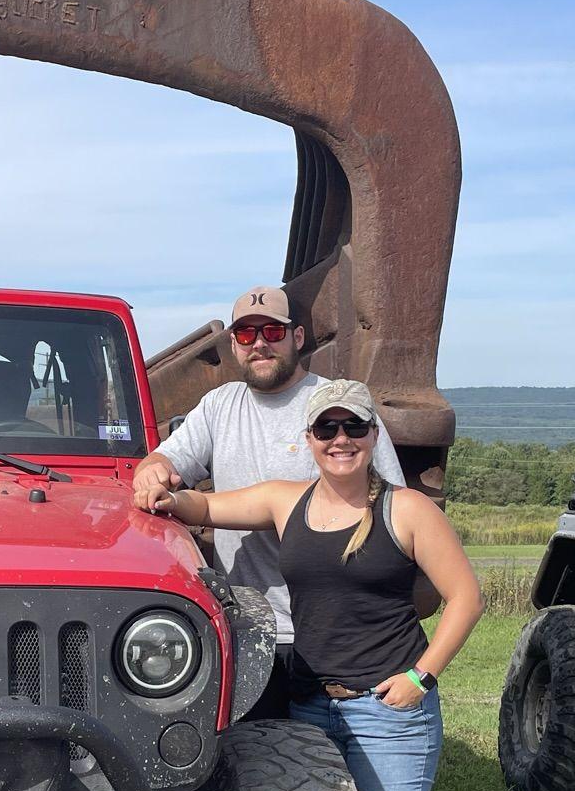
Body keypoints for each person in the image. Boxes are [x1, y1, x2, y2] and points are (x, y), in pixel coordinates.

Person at [151, 379, 484, 791]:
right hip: (311, 707)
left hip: (387, 712)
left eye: (353, 428)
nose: (340, 440)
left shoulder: (406, 509)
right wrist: (158, 485)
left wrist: (421, 677)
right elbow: (203, 504)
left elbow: (465, 597)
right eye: (327, 429)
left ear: (372, 436)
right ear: (308, 440)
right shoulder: (287, 501)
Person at [132, 284, 408, 705]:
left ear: (297, 337)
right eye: (246, 334)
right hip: (247, 628)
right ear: (234, 345)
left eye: (273, 332)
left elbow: (393, 508)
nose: (259, 343)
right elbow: (163, 461)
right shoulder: (219, 406)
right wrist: (151, 473)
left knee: (339, 742)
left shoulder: (335, 408)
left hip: (336, 633)